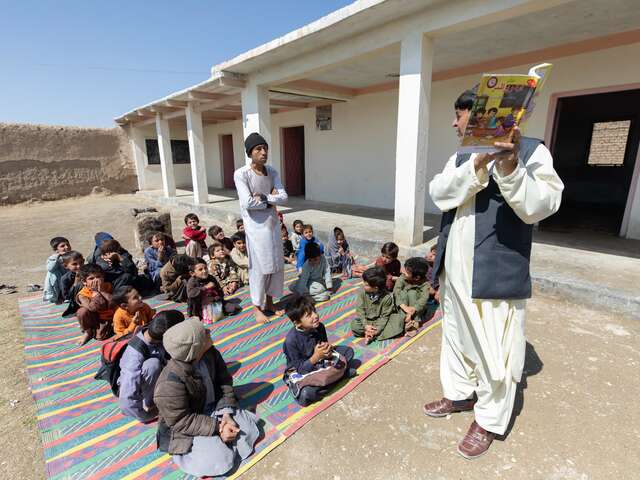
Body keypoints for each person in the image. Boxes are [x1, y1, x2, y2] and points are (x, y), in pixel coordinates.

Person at [423, 88, 563, 459]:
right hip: (455, 272)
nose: (454, 123)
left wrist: (510, 166)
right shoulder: (461, 156)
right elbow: (439, 193)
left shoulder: (532, 150)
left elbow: (541, 204)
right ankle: (459, 395)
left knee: (496, 348)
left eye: (459, 115)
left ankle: (488, 419)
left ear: (480, 113)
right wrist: (477, 165)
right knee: (455, 337)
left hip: (495, 272)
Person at [154, 318, 260, 478]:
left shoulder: (211, 353)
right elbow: (181, 421)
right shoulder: (168, 384)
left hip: (215, 408)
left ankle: (223, 436)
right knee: (221, 460)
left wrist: (226, 414)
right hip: (189, 424)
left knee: (250, 429)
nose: (209, 331)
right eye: (204, 333)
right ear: (194, 348)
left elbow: (224, 381)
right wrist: (218, 427)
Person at [233, 132, 288, 324]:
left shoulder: (271, 171)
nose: (263, 152)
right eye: (259, 149)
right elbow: (247, 202)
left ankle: (270, 302)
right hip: (256, 229)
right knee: (259, 267)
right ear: (250, 153)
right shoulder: (241, 174)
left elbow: (284, 196)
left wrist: (264, 198)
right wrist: (270, 200)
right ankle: (257, 307)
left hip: (272, 225)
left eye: (265, 148)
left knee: (275, 265)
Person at [282, 295, 355, 406]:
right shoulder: (291, 341)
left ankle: (330, 380)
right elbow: (300, 370)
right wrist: (315, 357)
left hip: (322, 362)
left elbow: (325, 346)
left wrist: (328, 350)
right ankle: (339, 376)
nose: (315, 316)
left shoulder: (319, 327)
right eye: (309, 315)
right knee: (306, 394)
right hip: (304, 369)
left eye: (314, 311)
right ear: (297, 323)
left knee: (348, 352)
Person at [118, 310, 185, 422]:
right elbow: (126, 401)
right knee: (153, 365)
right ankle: (150, 403)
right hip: (141, 385)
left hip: (158, 376)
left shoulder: (156, 334)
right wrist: (145, 416)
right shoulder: (134, 355)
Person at [350, 266, 404, 344]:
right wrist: (365, 325)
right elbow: (360, 310)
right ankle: (372, 334)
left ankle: (372, 335)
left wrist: (377, 330)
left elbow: (384, 317)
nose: (363, 285)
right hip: (367, 321)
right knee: (355, 326)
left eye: (366, 285)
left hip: (381, 322)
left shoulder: (387, 298)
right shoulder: (362, 293)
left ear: (375, 288)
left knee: (398, 321)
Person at [186, 258, 239, 325]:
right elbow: (190, 294)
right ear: (192, 273)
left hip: (214, 303)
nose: (204, 271)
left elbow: (220, 292)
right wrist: (205, 287)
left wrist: (214, 299)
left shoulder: (211, 278)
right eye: (200, 270)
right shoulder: (192, 281)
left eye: (205, 268)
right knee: (196, 320)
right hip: (199, 306)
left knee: (232, 308)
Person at [75, 264, 115, 345]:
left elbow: (114, 303)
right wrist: (96, 294)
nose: (96, 280)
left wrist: (103, 291)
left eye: (98, 276)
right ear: (84, 282)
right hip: (97, 318)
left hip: (112, 315)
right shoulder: (82, 294)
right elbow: (93, 308)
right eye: (91, 278)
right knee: (82, 312)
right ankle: (88, 332)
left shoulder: (108, 286)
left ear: (103, 277)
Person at [393, 257, 430, 337]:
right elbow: (396, 291)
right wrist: (403, 306)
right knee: (402, 293)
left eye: (407, 272)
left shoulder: (425, 284)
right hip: (403, 304)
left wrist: (413, 309)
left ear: (417, 278)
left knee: (412, 293)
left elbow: (423, 299)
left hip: (415, 309)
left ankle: (414, 321)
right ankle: (405, 320)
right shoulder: (403, 277)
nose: (403, 272)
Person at [43, 236, 71, 303]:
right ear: (56, 250)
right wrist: (57, 256)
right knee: (52, 273)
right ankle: (58, 296)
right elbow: (50, 268)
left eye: (68, 245)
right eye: (62, 246)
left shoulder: (71, 255)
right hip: (57, 282)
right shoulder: (53, 258)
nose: (66, 247)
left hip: (68, 280)